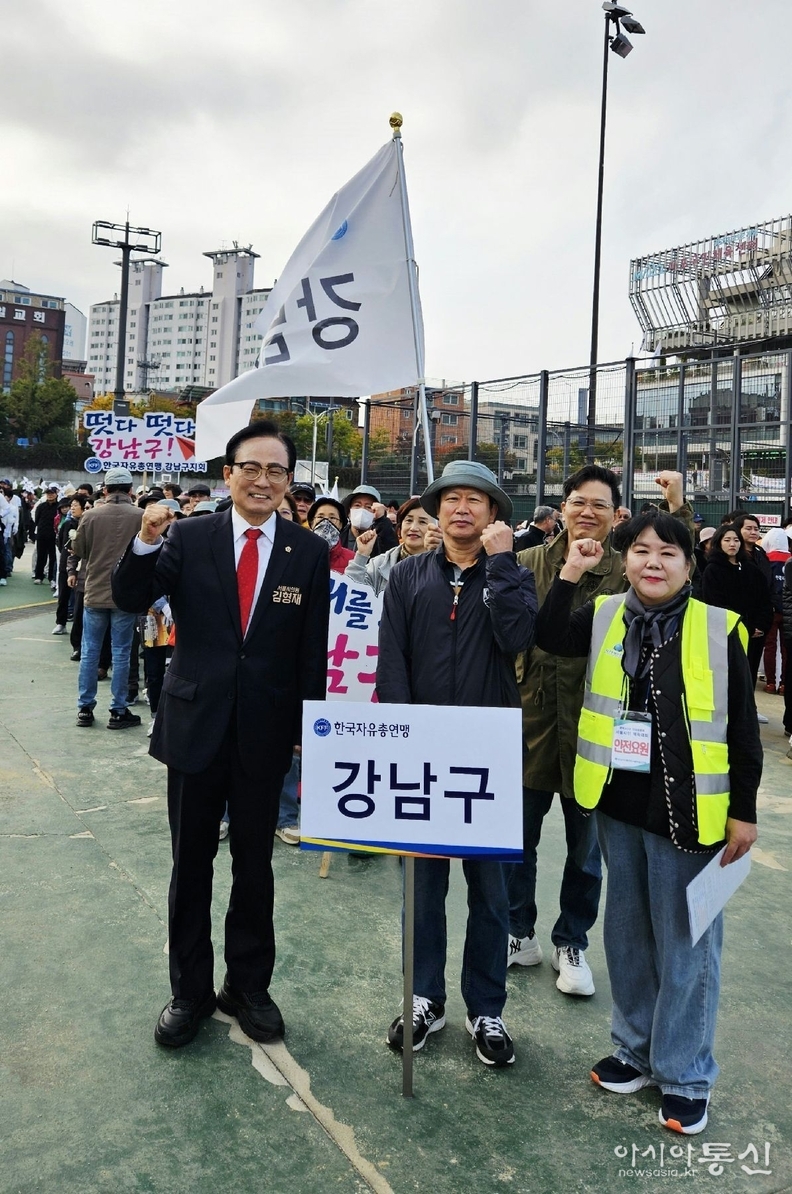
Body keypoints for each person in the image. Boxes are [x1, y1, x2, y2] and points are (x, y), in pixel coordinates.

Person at [535, 512, 760, 1136]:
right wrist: (571, 571)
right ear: (626, 560)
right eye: (640, 551)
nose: (652, 562)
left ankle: (685, 1075)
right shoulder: (606, 613)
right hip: (620, 806)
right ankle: (634, 1049)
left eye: (668, 552)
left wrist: (743, 811)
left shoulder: (718, 627)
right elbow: (549, 636)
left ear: (689, 565)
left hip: (693, 814)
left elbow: (743, 729)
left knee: (688, 946)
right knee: (628, 935)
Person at [112, 420, 330, 1049]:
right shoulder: (189, 535)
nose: (263, 481)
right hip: (195, 726)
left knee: (254, 867)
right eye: (250, 468)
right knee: (191, 866)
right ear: (228, 473)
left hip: (266, 733)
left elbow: (311, 646)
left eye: (276, 471)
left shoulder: (307, 550)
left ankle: (247, 987)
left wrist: (306, 727)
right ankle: (190, 992)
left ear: (288, 481)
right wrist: (146, 539)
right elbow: (130, 596)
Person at [377, 459, 538, 1067]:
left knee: (490, 889)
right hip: (422, 752)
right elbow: (391, 658)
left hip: (487, 754)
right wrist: (402, 736)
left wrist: (500, 565)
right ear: (437, 510)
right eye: (451, 499)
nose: (461, 508)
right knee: (422, 886)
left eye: (475, 499)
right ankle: (424, 997)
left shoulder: (512, 574)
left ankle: (486, 1006)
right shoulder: (408, 574)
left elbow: (517, 638)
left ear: (494, 514)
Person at [508, 468, 692, 997]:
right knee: (516, 840)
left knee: (587, 850)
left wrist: (677, 507)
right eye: (578, 502)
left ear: (617, 515)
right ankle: (518, 931)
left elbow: (678, 562)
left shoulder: (627, 568)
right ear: (562, 507)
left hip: (598, 730)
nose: (588, 512)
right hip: (531, 720)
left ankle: (572, 940)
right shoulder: (527, 561)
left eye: (600, 505)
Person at [72, 468, 144, 729]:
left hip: (95, 591)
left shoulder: (90, 515)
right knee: (122, 652)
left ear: (105, 490)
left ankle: (85, 708)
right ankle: (118, 709)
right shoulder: (141, 516)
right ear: (130, 490)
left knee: (90, 651)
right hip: (126, 594)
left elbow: (79, 550)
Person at [701, 526, 773, 712]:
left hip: (754, 636)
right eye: (727, 540)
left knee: (748, 676)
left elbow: (764, 600)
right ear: (718, 543)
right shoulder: (713, 570)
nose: (732, 544)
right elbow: (715, 604)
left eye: (736, 540)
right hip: (727, 636)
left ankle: (747, 712)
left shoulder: (751, 569)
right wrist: (743, 626)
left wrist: (760, 625)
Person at [346, 497, 439, 594]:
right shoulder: (380, 564)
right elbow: (349, 590)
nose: (413, 528)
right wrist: (361, 555)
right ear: (400, 528)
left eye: (422, 522)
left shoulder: (443, 565)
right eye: (409, 520)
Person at [760, 527, 790, 694]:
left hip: (772, 610)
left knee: (770, 646)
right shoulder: (790, 560)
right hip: (789, 611)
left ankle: (771, 683)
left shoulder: (766, 559)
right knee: (787, 649)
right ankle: (785, 684)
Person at [340, 484, 398, 558]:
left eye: (368, 507)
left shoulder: (382, 537)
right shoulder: (339, 536)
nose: (362, 510)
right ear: (349, 511)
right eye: (357, 505)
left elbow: (392, 554)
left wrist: (382, 520)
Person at [306, 496, 354, 574]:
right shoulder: (299, 554)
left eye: (332, 518)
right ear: (311, 522)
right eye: (320, 517)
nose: (326, 521)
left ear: (341, 524)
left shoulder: (352, 559)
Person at [33, 485, 59, 585]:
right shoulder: (41, 506)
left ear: (56, 494)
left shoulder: (59, 507)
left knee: (53, 557)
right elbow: (37, 519)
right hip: (42, 534)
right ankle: (38, 576)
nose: (50, 495)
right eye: (48, 493)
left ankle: (52, 577)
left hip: (54, 535)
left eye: (52, 493)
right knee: (41, 556)